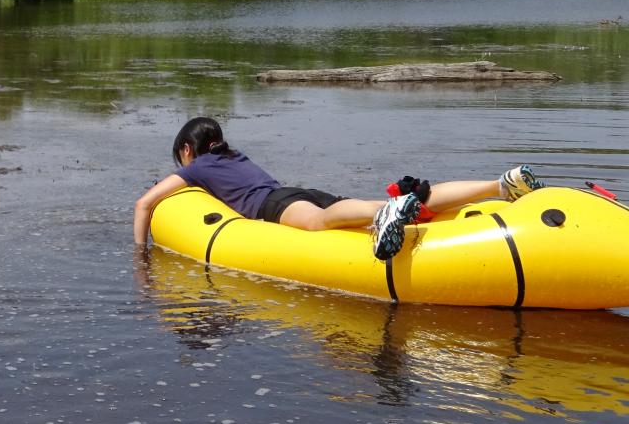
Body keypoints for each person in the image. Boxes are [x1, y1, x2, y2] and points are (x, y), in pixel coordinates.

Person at [132, 116, 542, 260]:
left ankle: (384, 214)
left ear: (187, 149)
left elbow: (145, 203)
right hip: (294, 189)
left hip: (272, 204)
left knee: (317, 224)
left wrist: (140, 256)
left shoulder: (198, 166)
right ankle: (499, 184)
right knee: (403, 203)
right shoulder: (236, 156)